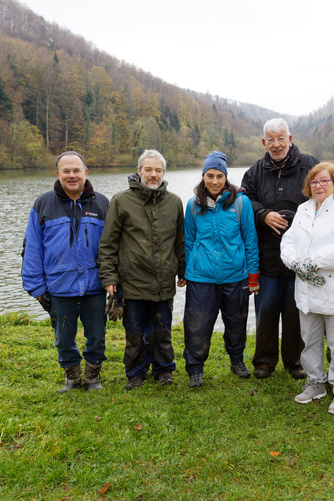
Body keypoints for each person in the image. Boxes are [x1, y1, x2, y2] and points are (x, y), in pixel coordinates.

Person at [21, 151, 109, 393]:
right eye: (66, 171)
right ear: (57, 173)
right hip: (58, 287)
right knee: (63, 337)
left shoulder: (102, 204)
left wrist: (114, 283)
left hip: (94, 286)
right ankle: (72, 377)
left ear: (85, 173)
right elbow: (32, 248)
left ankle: (93, 377)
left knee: (97, 335)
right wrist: (36, 288)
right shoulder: (43, 204)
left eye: (76, 170)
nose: (72, 175)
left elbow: (113, 248)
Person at [98, 149, 185, 389]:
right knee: (134, 332)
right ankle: (135, 372)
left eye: (158, 170)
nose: (153, 174)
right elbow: (108, 243)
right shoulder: (120, 200)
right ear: (139, 171)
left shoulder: (174, 202)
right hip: (131, 281)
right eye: (148, 169)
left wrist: (183, 270)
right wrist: (109, 276)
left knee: (162, 330)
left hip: (163, 281)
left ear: (163, 173)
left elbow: (180, 241)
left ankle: (164, 370)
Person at [281, 162, 334, 415]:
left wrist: (311, 263)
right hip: (307, 289)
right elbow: (289, 241)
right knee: (310, 341)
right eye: (314, 182)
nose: (318, 186)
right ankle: (315, 382)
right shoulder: (303, 209)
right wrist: (294, 262)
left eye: (324, 181)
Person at [241, 118, 319, 380]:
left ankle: (295, 362)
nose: (276, 144)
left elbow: (325, 195)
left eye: (281, 138)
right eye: (271, 139)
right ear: (264, 142)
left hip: (300, 257)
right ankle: (263, 361)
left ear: (290, 139)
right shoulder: (254, 172)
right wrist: (263, 214)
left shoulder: (310, 165)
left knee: (295, 311)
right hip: (267, 257)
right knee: (266, 311)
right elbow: (243, 201)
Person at [182, 151, 260, 388]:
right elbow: (188, 240)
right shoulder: (193, 205)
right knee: (197, 325)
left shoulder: (240, 202)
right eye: (210, 175)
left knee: (236, 323)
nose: (215, 181)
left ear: (226, 177)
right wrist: (188, 269)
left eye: (219, 176)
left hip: (235, 276)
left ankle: (236, 360)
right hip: (202, 277)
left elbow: (250, 240)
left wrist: (253, 275)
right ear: (203, 176)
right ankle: (195, 368)